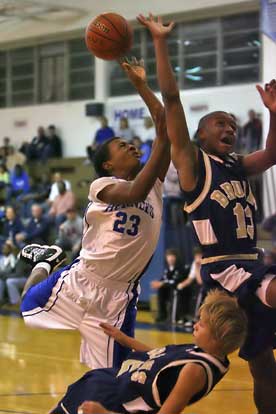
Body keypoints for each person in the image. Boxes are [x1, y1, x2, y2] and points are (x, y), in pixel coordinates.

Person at [137, 13, 276, 414]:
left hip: (252, 263)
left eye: (232, 124)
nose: (229, 127)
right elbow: (173, 100)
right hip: (227, 270)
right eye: (220, 123)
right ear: (199, 135)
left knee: (264, 366)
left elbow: (272, 154)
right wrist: (161, 43)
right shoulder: (194, 163)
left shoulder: (238, 165)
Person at [20, 58, 170, 370]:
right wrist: (160, 142)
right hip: (82, 278)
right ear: (107, 165)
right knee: (27, 308)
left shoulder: (154, 186)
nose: (129, 145)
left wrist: (141, 85)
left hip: (118, 297)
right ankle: (46, 261)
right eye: (120, 145)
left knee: (111, 376)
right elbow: (134, 193)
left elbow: (164, 125)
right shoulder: (103, 185)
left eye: (130, 143)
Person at [50, 289, 247, 414]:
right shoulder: (204, 352)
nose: (195, 325)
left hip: (119, 402)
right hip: (116, 382)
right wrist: (124, 339)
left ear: (218, 336)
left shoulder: (195, 371)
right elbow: (159, 356)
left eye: (202, 325)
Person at [151, 248, 188, 323]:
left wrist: (162, 283)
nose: (170, 258)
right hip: (168, 289)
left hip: (180, 290)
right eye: (168, 256)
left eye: (172, 256)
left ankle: (174, 317)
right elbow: (164, 279)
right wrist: (158, 283)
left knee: (172, 290)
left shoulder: (180, 268)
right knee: (161, 290)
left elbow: (175, 281)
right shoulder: (167, 269)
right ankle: (162, 315)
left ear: (176, 257)